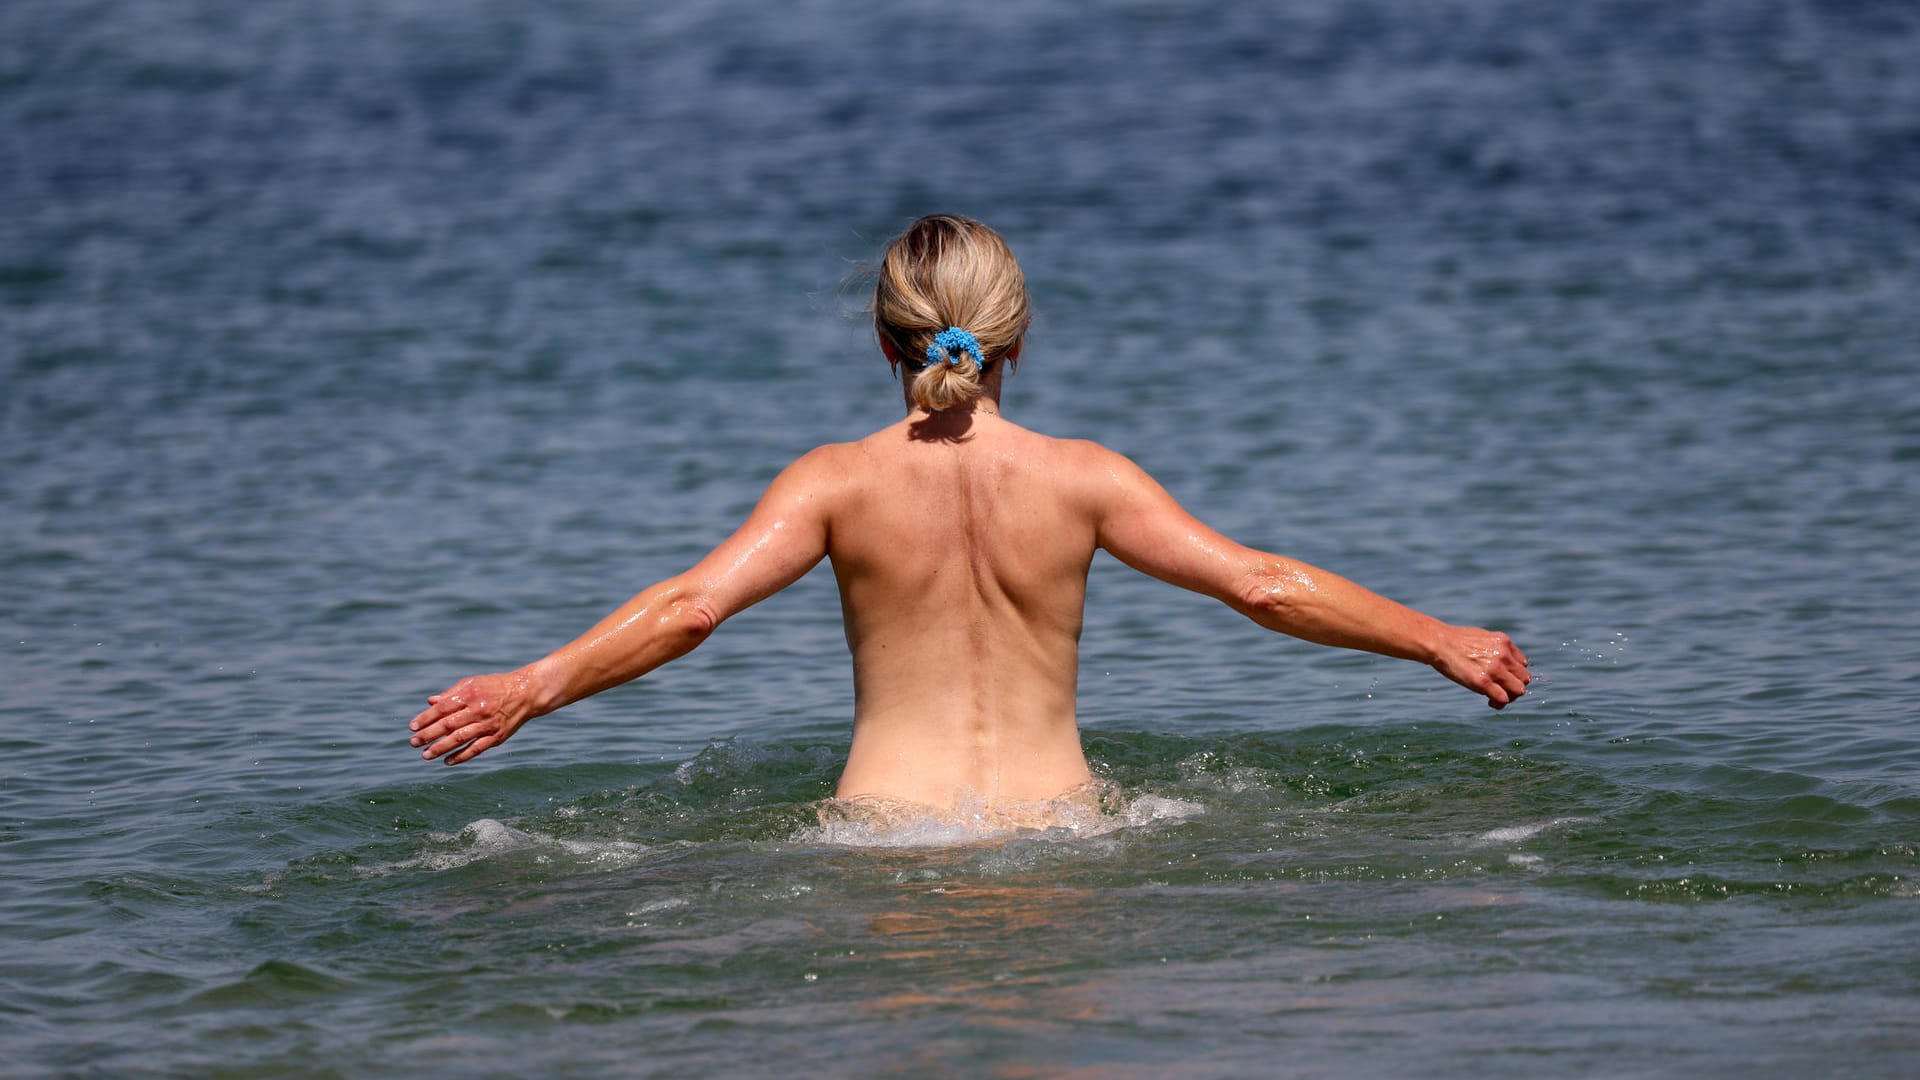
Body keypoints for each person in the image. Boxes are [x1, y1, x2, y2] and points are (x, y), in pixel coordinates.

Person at [408, 214, 1530, 821]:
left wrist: (530, 687)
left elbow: (694, 610)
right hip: (1070, 837)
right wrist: (1441, 640)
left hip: (883, 843)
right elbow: (1260, 584)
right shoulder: (1087, 476)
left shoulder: (831, 483)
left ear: (884, 341)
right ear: (1018, 343)